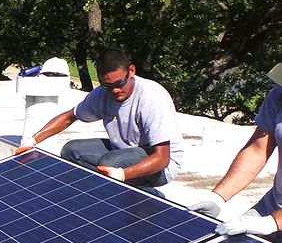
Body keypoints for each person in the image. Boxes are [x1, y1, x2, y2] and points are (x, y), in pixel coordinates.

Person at [16, 49, 183, 189]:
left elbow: (162, 158)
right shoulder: (103, 94)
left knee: (109, 162)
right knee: (70, 150)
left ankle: (145, 195)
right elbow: (69, 117)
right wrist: (31, 141)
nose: (115, 91)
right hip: (123, 149)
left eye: (119, 84)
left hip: (160, 164)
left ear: (131, 71)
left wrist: (122, 174)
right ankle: (103, 192)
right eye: (108, 86)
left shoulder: (151, 99)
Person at [190, 63, 282, 241]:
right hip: (272, 206)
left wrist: (271, 223)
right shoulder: (279, 96)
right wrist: (217, 197)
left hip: (273, 220)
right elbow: (257, 150)